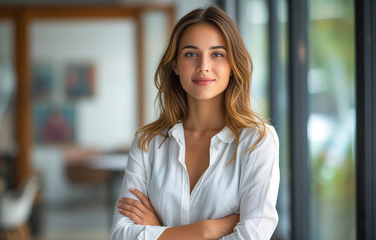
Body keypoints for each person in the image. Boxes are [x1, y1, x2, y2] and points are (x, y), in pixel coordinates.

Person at [110, 6, 279, 240]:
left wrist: (158, 229)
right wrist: (206, 230)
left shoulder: (257, 140)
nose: (203, 66)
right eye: (191, 54)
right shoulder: (147, 142)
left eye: (217, 54)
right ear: (175, 65)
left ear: (233, 65)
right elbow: (120, 234)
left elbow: (252, 236)